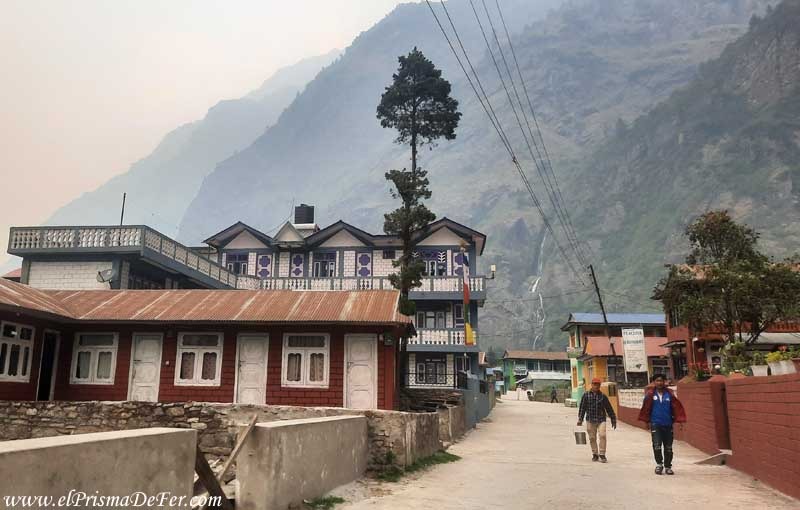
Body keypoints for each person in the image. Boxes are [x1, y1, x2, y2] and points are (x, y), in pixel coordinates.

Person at [638, 373, 687, 475]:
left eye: (661, 380)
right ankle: (659, 465)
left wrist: (680, 421)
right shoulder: (650, 395)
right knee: (657, 445)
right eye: (657, 381)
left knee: (668, 447)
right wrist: (647, 422)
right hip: (655, 424)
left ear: (664, 382)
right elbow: (646, 409)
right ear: (654, 382)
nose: (659, 383)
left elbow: (677, 408)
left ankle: (668, 466)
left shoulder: (670, 394)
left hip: (668, 424)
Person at [577, 378, 617, 463]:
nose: (596, 386)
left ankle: (602, 454)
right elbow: (582, 407)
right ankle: (595, 454)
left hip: (601, 419)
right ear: (591, 385)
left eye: (598, 384)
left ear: (600, 386)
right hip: (590, 419)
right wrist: (580, 419)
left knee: (602, 435)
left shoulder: (603, 396)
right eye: (595, 384)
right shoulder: (586, 395)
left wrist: (613, 419)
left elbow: (609, 408)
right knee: (592, 438)